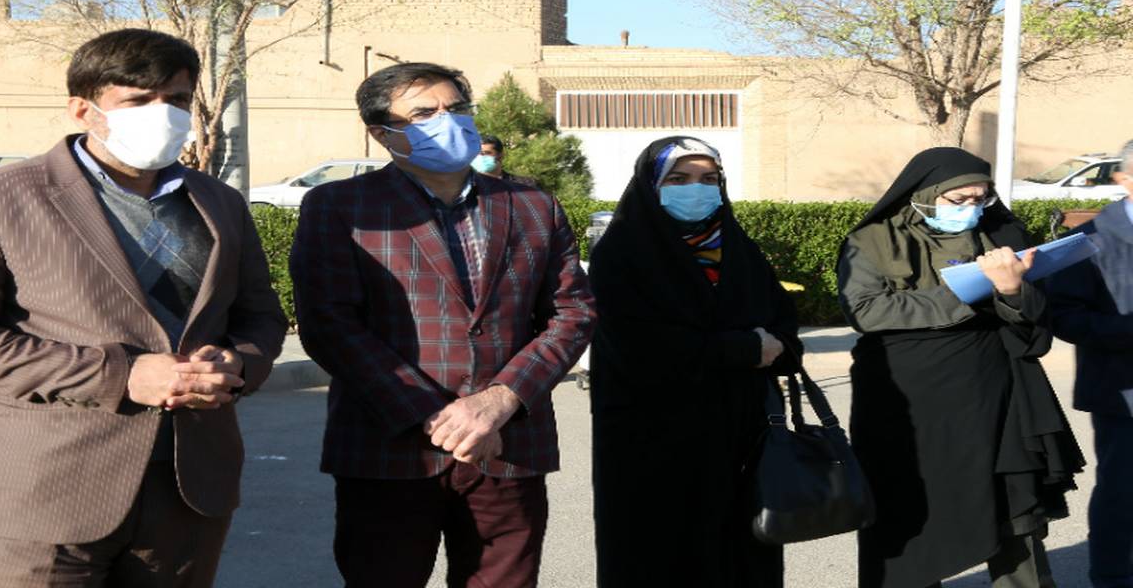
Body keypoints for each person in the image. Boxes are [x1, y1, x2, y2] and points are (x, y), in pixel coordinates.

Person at [0, 28, 288, 587]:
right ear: (83, 110)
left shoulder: (218, 202)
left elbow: (260, 316)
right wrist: (120, 375)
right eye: (138, 100)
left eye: (176, 99)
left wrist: (239, 363)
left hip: (188, 490)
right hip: (46, 495)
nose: (163, 114)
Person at [290, 62, 595, 588]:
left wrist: (498, 402)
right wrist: (435, 417)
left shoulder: (532, 205)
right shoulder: (341, 206)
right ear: (382, 134)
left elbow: (573, 312)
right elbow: (329, 324)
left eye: (456, 109)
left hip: (507, 445)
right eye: (423, 114)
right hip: (388, 450)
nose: (447, 122)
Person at [838, 147, 1083, 588]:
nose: (972, 208)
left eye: (981, 198)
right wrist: (967, 292)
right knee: (908, 508)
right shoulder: (871, 241)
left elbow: (1034, 318)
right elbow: (867, 311)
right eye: (959, 199)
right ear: (924, 194)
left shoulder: (1001, 232)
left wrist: (1012, 291)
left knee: (1011, 508)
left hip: (994, 392)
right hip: (906, 401)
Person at [588, 136, 801, 587]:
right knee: (659, 558)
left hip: (742, 439)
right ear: (650, 185)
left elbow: (784, 330)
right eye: (679, 179)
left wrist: (773, 347)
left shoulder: (740, 250)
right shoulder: (620, 254)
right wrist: (747, 349)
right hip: (653, 442)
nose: (697, 189)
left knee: (741, 559)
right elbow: (639, 349)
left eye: (709, 179)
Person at [1047, 139, 1133, 588]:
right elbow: (1064, 316)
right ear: (1125, 179)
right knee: (1123, 493)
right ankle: (1112, 576)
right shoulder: (1088, 243)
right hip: (1123, 390)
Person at [472, 133, 541, 188]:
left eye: (485, 153)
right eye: (476, 153)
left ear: (501, 156)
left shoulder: (525, 185)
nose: (480, 157)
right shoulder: (469, 188)